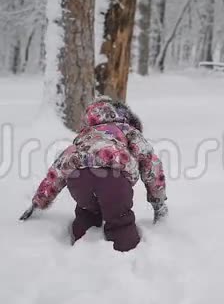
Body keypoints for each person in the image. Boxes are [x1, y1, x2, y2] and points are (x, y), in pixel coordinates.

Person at [23, 96, 167, 252]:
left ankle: (81, 244)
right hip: (114, 181)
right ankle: (126, 252)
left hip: (79, 180)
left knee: (87, 211)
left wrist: (39, 201)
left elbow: (58, 169)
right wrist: (158, 202)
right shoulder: (128, 131)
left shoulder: (85, 136)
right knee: (119, 219)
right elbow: (151, 164)